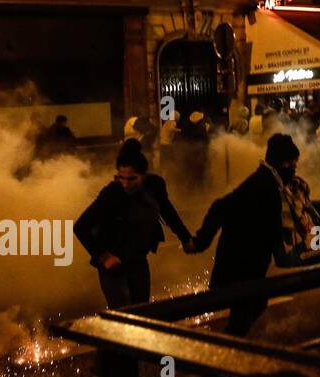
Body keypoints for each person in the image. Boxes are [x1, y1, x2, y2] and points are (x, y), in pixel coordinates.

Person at [185, 134, 299, 336]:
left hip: (247, 264)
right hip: (240, 265)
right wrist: (201, 241)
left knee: (251, 308)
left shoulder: (270, 183)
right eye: (290, 163)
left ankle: (225, 352)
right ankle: (221, 357)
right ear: (279, 162)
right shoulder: (262, 185)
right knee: (244, 315)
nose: (294, 168)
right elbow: (220, 207)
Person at [74, 138, 193, 309]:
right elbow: (80, 227)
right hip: (114, 267)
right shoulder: (111, 193)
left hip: (138, 261)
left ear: (143, 176)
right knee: (125, 316)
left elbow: (168, 212)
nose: (125, 184)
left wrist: (186, 238)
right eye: (120, 178)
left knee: (142, 312)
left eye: (131, 179)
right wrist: (104, 257)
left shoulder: (154, 186)